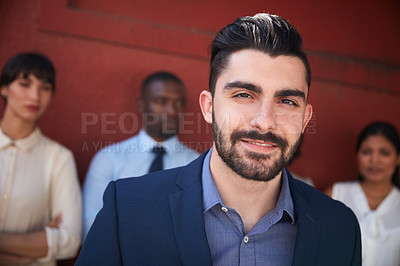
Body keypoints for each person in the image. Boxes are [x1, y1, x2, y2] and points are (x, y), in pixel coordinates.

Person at [77, 13, 361, 265]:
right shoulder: (127, 208)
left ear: (306, 118)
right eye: (244, 95)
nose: (265, 121)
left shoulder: (341, 228)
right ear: (208, 107)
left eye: (287, 101)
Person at [82, 71, 199, 237]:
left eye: (179, 103)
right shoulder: (109, 159)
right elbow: (91, 228)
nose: (172, 111)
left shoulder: (196, 165)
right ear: (141, 105)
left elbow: (195, 229)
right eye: (161, 101)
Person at [0, 53, 82, 265]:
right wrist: (33, 245)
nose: (35, 96)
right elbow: (57, 241)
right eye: (25, 84)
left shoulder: (59, 158)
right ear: (4, 88)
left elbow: (70, 240)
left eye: (44, 88)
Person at [325, 121, 400, 266]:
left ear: (398, 158)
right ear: (357, 155)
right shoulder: (336, 195)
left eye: (384, 153)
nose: (374, 160)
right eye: (367, 152)